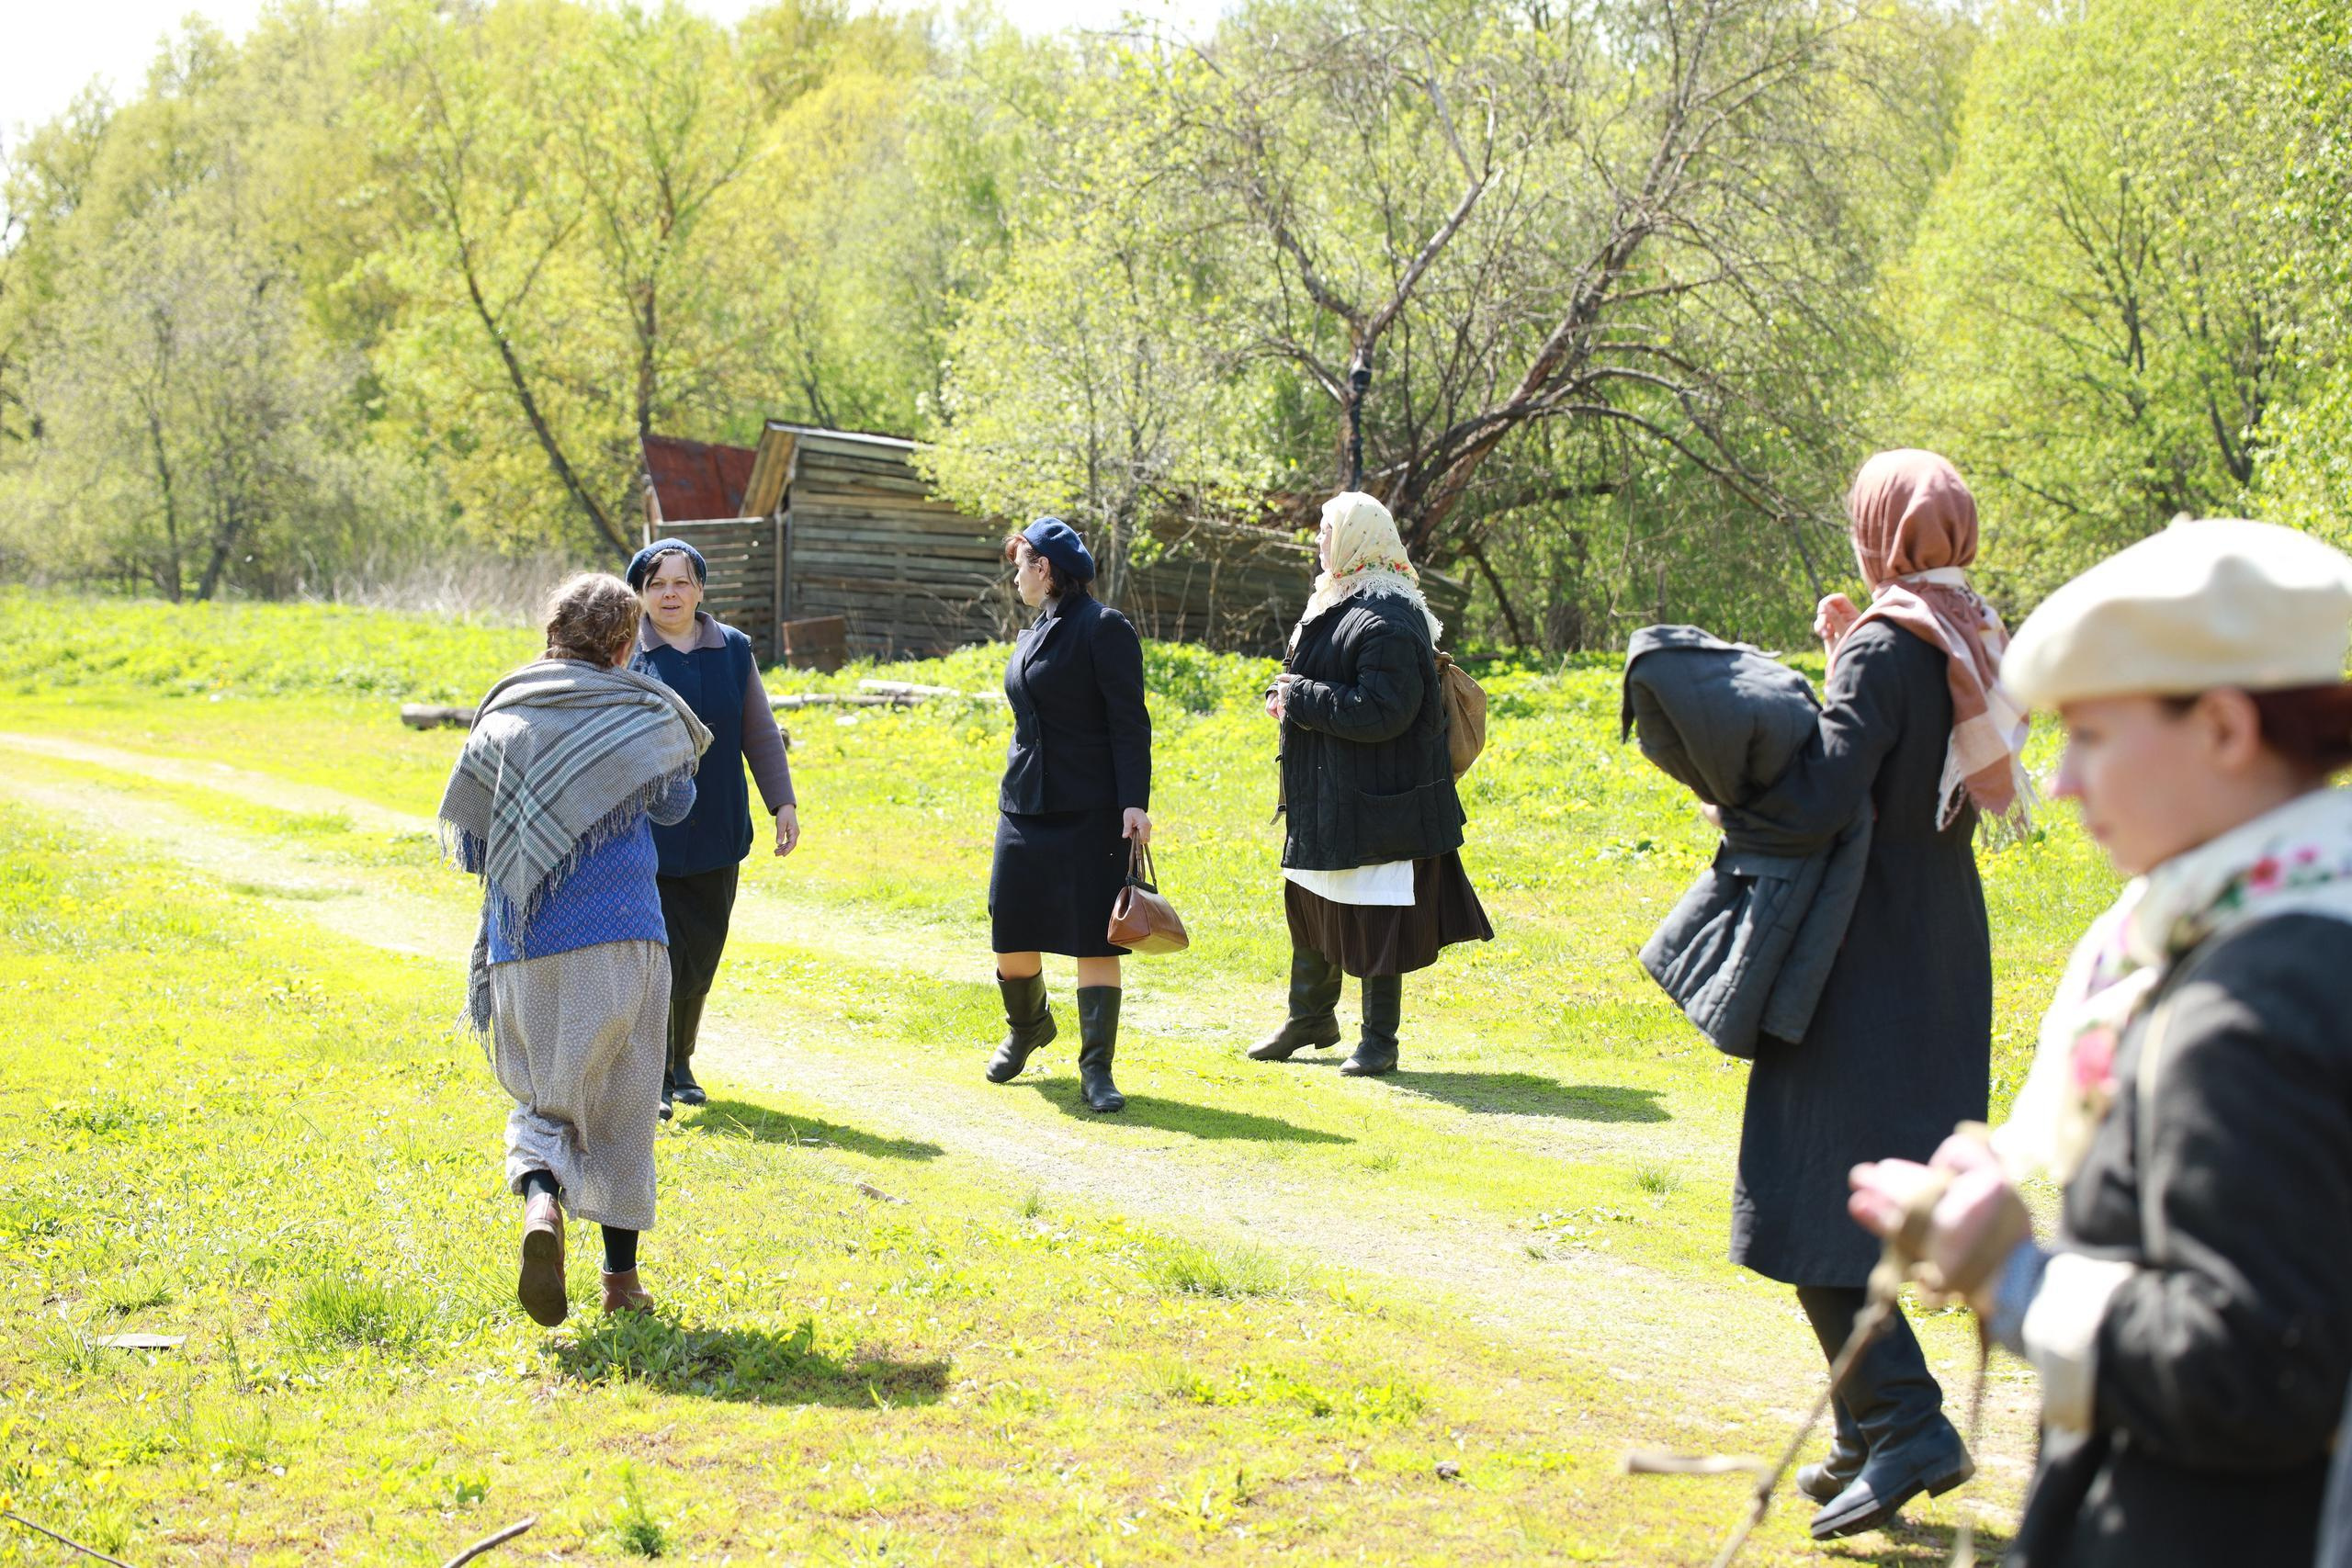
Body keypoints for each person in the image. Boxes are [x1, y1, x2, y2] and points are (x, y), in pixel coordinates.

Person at [1849, 519, 2352, 1568]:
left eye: (2090, 734)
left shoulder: (2252, 1004)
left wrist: (2012, 1276)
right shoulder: (2304, 934)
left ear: (2221, 727)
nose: (2064, 781)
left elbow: (2255, 1368)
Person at [1713, 450, 2030, 1539]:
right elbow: (1905, 755)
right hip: (1938, 938)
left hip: (1855, 947)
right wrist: (1849, 654)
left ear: (1881, 530)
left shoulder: (1891, 643)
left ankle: (1904, 1422)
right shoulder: (1965, 630)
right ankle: (1860, 1431)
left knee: (1813, 1187)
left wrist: (1731, 788)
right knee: (1865, 1178)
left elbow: (1823, 793)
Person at [439, 572, 710, 1325]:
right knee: (624, 1104)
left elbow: (473, 841)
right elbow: (679, 801)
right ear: (624, 643)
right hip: (623, 935)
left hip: (522, 941)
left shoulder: (505, 711)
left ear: (551, 633)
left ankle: (541, 1205)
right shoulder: (638, 706)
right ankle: (620, 1282)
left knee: (543, 1096)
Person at [1249, 491, 1490, 1077]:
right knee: (1309, 899)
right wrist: (1287, 693)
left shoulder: (1388, 616)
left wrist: (1298, 697)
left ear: (1360, 537)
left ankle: (1379, 1041)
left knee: (1378, 912)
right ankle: (1310, 1017)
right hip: (1330, 793)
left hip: (1380, 801)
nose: (1319, 541)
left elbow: (1383, 710)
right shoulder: (1336, 600)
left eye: (1329, 531)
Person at [626, 538, 800, 1121]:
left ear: (700, 588)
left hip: (718, 828)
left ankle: (681, 1064)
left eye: (680, 582)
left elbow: (759, 730)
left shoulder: (733, 649)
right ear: (641, 594)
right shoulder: (626, 653)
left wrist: (782, 803)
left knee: (700, 955)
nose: (669, 594)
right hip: (644, 834)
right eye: (656, 584)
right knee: (655, 957)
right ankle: (651, 1073)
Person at [985, 517, 1152, 1113]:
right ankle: (1028, 1027)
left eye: (1021, 563)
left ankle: (1096, 1071)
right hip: (1024, 807)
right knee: (1011, 929)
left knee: (1093, 940)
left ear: (1046, 568)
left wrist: (1135, 801)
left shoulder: (1104, 629)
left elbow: (1129, 722)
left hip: (1091, 808)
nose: (1015, 574)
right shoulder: (1033, 631)